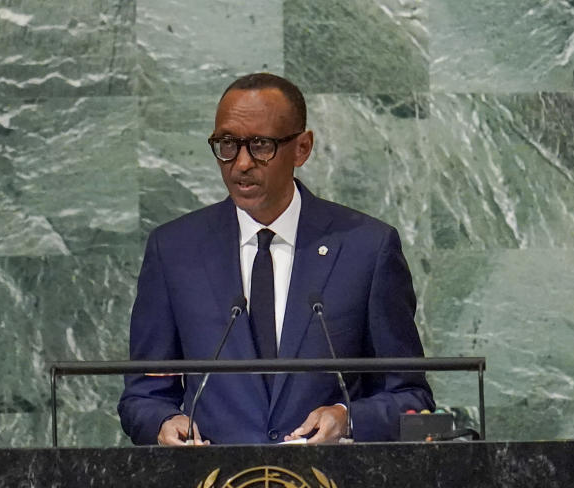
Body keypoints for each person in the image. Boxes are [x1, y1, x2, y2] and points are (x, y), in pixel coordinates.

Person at [118, 73, 434, 446]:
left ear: (302, 148)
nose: (241, 164)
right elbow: (143, 396)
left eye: (261, 145)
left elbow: (413, 401)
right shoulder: (174, 251)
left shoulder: (366, 249)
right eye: (227, 145)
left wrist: (348, 418)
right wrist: (164, 422)